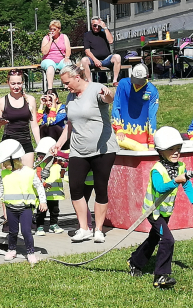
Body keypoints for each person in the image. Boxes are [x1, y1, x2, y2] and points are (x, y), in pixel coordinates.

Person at [52, 64, 119, 243]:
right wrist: (58, 144)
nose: (66, 86)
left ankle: (98, 229)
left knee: (100, 188)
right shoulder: (70, 97)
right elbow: (70, 124)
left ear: (77, 77)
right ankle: (84, 228)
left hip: (103, 149)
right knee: (75, 187)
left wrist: (108, 95)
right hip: (78, 149)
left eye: (67, 82)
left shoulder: (96, 89)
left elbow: (109, 98)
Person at [127, 126, 193, 288]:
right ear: (160, 151)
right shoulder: (157, 169)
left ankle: (135, 262)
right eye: (171, 149)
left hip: (166, 212)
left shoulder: (180, 167)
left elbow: (186, 185)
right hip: (154, 212)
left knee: (154, 239)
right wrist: (176, 180)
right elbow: (160, 188)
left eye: (178, 149)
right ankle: (161, 276)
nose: (176, 152)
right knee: (167, 239)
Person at [0, 139, 47, 265]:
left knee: (26, 231)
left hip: (25, 208)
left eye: (5, 162)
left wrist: (43, 201)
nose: (3, 165)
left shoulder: (29, 172)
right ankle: (11, 250)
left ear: (13, 160)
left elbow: (39, 186)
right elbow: (0, 188)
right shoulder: (4, 174)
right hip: (10, 208)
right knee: (12, 231)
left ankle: (30, 252)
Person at [0, 69, 40, 167]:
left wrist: (39, 145)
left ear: (23, 83)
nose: (16, 87)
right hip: (8, 142)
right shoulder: (1, 102)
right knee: (9, 177)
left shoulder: (30, 100)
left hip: (25, 141)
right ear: (8, 83)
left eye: (19, 83)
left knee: (27, 176)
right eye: (13, 83)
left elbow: (34, 125)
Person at [112, 63, 159, 150]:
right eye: (135, 80)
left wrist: (151, 144)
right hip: (122, 137)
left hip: (142, 140)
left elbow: (152, 117)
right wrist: (118, 129)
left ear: (147, 77)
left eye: (140, 81)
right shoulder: (123, 84)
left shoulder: (152, 91)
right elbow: (116, 106)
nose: (137, 84)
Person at [34, 137, 66, 236]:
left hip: (54, 194)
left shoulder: (57, 164)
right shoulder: (39, 165)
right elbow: (38, 178)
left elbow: (62, 173)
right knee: (41, 211)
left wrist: (62, 164)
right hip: (42, 194)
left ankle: (54, 224)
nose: (40, 157)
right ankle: (40, 226)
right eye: (38, 155)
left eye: (42, 155)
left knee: (55, 210)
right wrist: (44, 184)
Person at [81, 16, 121, 86]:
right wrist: (95, 60)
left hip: (106, 59)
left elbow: (111, 41)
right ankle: (90, 83)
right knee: (84, 60)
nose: (96, 27)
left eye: (98, 25)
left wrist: (105, 28)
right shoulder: (87, 35)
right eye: (94, 25)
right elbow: (87, 51)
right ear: (91, 25)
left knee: (117, 57)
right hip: (93, 60)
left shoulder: (105, 33)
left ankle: (115, 81)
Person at [41, 20, 71, 90]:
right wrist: (50, 40)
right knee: (50, 66)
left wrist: (67, 57)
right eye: (51, 29)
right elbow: (44, 52)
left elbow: (68, 49)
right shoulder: (46, 38)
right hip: (48, 59)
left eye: (54, 29)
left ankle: (67, 85)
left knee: (67, 65)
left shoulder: (64, 37)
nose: (52, 31)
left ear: (59, 30)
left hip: (61, 59)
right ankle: (50, 88)